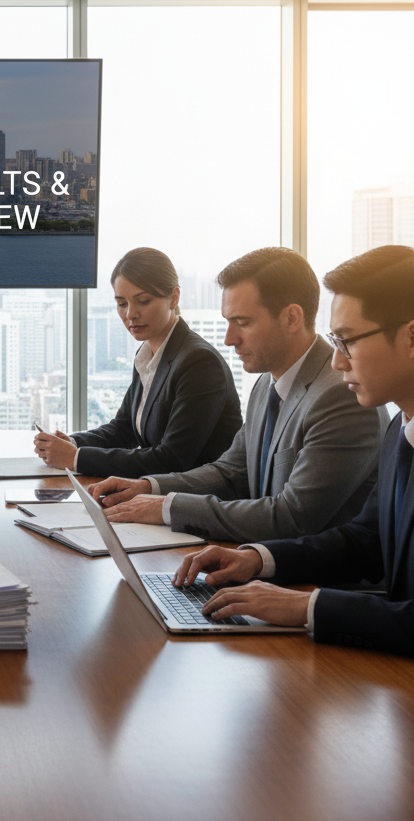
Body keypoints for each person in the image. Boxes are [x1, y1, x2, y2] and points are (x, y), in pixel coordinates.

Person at [174, 245, 414, 656]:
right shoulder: (400, 429)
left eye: (349, 341)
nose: (337, 362)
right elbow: (365, 541)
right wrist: (259, 559)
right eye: (335, 340)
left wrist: (308, 606)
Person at [91, 246, 388, 542]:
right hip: (258, 564)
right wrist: (148, 487)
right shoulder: (265, 386)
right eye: (228, 321)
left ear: (292, 318)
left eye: (242, 322)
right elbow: (230, 471)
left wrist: (168, 507)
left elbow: (292, 517)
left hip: (312, 580)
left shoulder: (341, 395)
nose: (229, 339)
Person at [34, 247, 241, 478]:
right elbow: (123, 429)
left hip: (197, 503)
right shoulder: (147, 354)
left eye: (143, 301)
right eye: (122, 303)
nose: (131, 314)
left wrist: (76, 458)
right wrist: (71, 442)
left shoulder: (199, 363)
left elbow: (171, 460)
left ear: (174, 298)